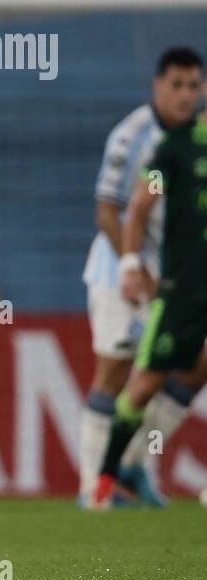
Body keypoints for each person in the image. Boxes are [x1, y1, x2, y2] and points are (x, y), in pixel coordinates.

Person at [79, 48, 204, 507]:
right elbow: (108, 211)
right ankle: (93, 487)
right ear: (158, 86)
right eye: (177, 85)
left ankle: (132, 464)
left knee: (192, 366)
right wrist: (133, 265)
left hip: (174, 278)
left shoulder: (196, 140)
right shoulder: (133, 137)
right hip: (120, 271)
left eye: (193, 85)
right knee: (115, 374)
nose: (185, 95)